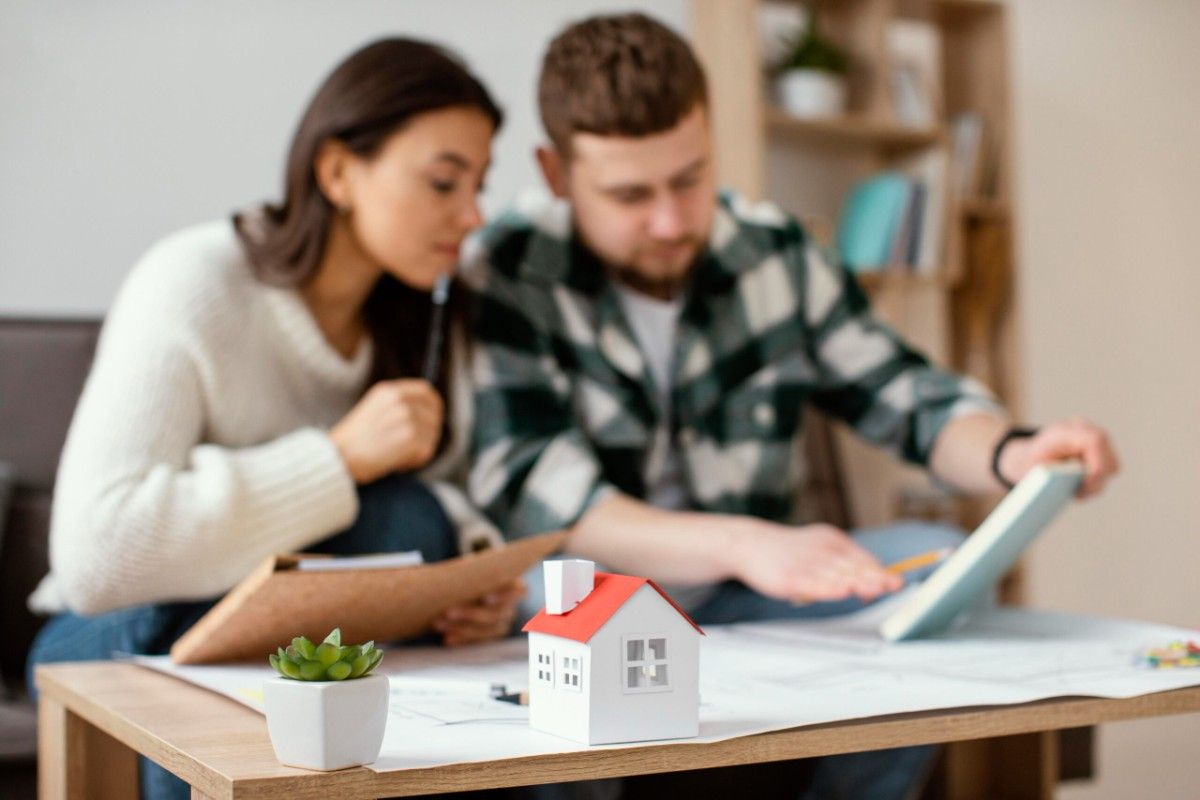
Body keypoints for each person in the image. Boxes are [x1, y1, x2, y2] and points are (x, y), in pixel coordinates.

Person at [465, 13, 1120, 800]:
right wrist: (748, 543)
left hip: (751, 597)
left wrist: (1011, 451)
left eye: (690, 178)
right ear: (556, 172)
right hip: (597, 589)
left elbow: (902, 393)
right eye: (631, 194)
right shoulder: (508, 269)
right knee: (538, 603)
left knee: (937, 562)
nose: (671, 219)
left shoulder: (776, 251)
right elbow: (546, 496)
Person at [27, 38, 523, 800]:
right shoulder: (192, 282)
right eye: (443, 182)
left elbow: (441, 496)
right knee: (212, 652)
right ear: (336, 172)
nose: (473, 214)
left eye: (479, 185)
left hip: (287, 651)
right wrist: (336, 459)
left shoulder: (427, 314)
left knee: (410, 522)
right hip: (114, 631)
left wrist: (471, 578)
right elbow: (96, 556)